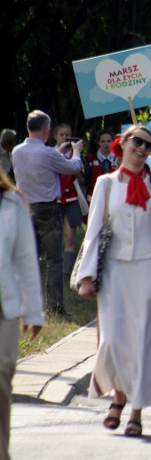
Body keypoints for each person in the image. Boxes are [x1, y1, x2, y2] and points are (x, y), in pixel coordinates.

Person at [75, 126, 151, 437]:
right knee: (113, 340)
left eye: (148, 145)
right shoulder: (105, 184)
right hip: (115, 271)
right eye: (137, 142)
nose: (143, 149)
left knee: (144, 341)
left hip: (147, 269)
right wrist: (86, 276)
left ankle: (135, 411)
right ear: (122, 144)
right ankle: (117, 394)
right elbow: (93, 232)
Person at [12, 110, 84, 315]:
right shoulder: (47, 153)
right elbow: (72, 168)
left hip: (26, 208)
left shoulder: (17, 151)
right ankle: (55, 306)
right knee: (54, 258)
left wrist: (58, 152)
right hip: (48, 209)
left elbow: (41, 162)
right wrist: (76, 151)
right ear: (46, 130)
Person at [0, 169, 44, 458]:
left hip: (4, 307)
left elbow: (26, 259)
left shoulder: (12, 202)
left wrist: (34, 311)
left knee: (2, 374)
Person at [53, 124, 86, 278]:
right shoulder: (51, 154)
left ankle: (67, 271)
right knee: (54, 235)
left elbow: (81, 179)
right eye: (62, 135)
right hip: (55, 200)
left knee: (70, 235)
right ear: (55, 137)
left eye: (68, 135)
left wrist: (77, 162)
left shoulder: (76, 154)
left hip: (72, 199)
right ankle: (56, 267)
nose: (65, 138)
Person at [86, 129, 118, 196]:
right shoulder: (90, 159)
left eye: (109, 141)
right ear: (98, 142)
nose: (106, 144)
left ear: (113, 142)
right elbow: (87, 181)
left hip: (114, 196)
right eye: (103, 141)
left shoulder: (118, 159)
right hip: (95, 196)